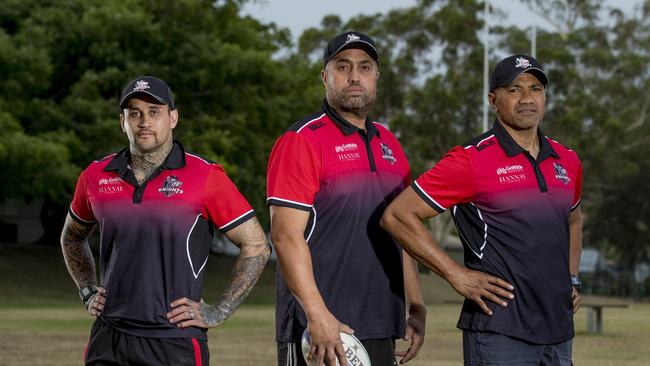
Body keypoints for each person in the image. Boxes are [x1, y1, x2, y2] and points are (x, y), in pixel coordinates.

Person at [381, 54, 583, 365]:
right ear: (493, 100)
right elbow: (397, 216)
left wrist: (571, 279)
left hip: (558, 330)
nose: (527, 99)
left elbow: (573, 218)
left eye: (536, 88)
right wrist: (456, 276)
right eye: (514, 90)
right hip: (499, 330)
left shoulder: (567, 159)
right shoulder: (471, 160)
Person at [60, 75, 271, 365]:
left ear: (173, 118)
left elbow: (257, 245)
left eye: (154, 112)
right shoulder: (96, 176)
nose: (144, 121)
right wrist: (86, 289)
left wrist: (219, 310)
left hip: (175, 341)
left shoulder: (205, 175)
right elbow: (72, 235)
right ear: (123, 122)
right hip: (109, 338)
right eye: (134, 113)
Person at [266, 31, 426, 366]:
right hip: (319, 328)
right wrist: (318, 314)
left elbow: (404, 232)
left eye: (365, 67)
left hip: (381, 324)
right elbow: (285, 236)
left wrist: (415, 306)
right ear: (325, 76)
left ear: (376, 78)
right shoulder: (301, 140)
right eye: (343, 66)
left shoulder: (390, 144)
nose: (355, 76)